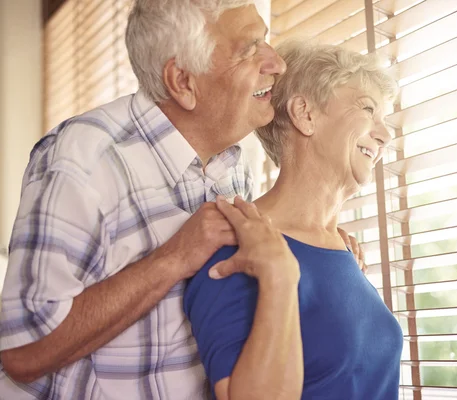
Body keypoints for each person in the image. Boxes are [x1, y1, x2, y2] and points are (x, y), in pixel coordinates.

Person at [0, 1, 290, 398]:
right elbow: (21, 352)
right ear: (183, 82)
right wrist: (171, 259)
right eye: (249, 49)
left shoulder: (232, 165)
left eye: (266, 42)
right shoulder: (82, 161)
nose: (277, 63)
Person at [184, 41, 403, 400]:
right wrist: (279, 274)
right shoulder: (237, 244)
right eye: (367, 109)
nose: (386, 134)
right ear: (305, 113)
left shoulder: (344, 251)